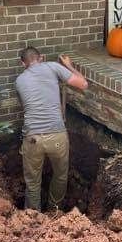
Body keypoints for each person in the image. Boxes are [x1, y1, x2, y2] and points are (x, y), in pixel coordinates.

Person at [15, 46, 88, 211]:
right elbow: (83, 84)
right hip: (57, 136)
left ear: (22, 63)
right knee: (61, 176)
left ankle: (33, 218)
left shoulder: (19, 81)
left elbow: (25, 106)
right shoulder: (52, 67)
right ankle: (55, 212)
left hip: (32, 138)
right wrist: (68, 65)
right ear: (41, 58)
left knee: (33, 183)